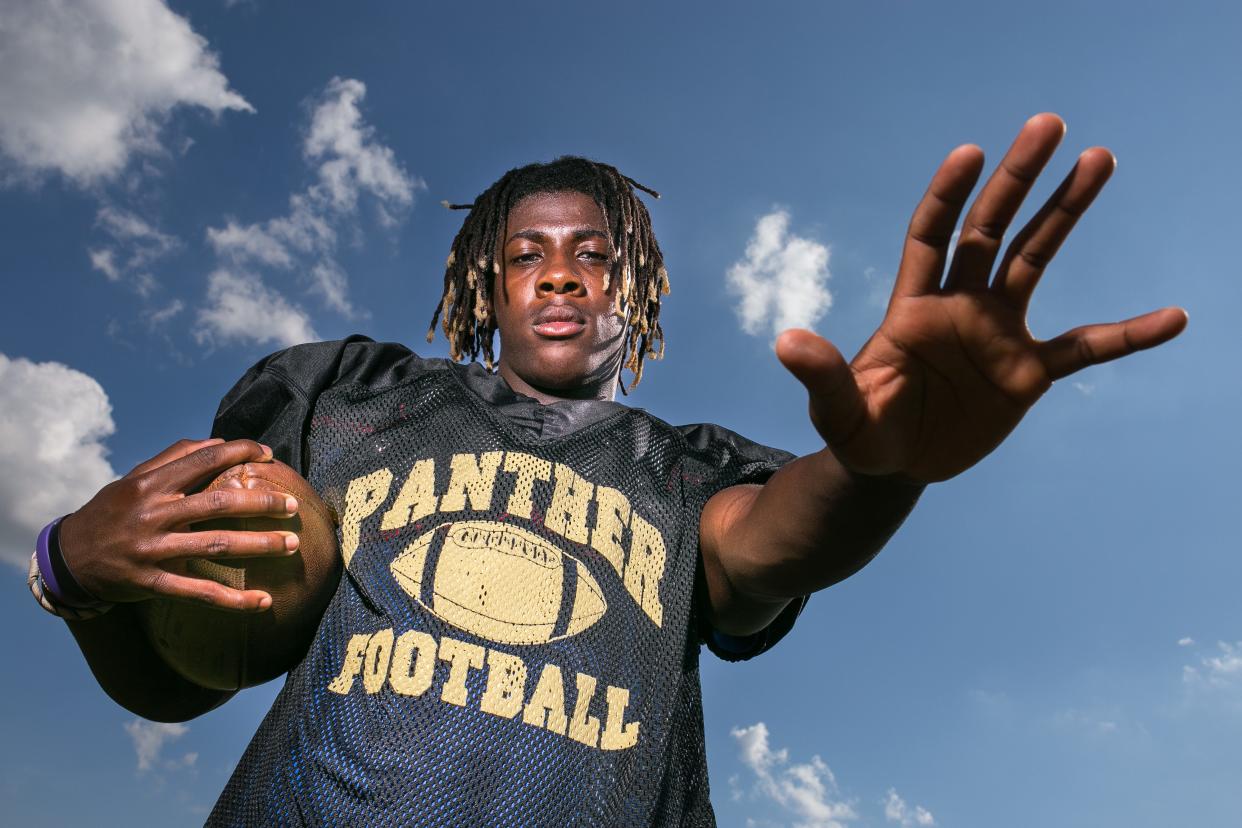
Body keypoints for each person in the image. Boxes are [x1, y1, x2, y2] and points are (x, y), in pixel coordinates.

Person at [29, 114, 1186, 826]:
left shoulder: (681, 470)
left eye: (595, 254)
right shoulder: (351, 399)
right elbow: (183, 678)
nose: (561, 275)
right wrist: (74, 569)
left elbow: (766, 542)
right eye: (525, 254)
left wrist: (882, 470)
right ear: (485, 288)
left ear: (633, 291)